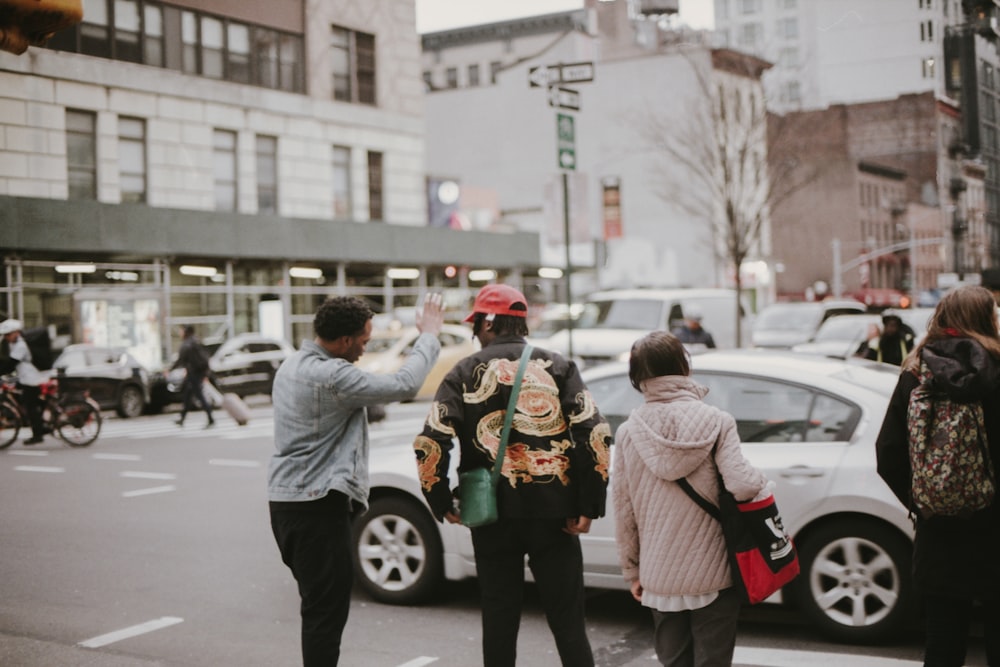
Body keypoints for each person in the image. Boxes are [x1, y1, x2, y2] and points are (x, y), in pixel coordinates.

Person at [412, 284, 612, 667]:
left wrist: (440, 499)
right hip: (556, 514)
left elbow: (430, 441)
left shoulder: (464, 372)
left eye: (475, 325)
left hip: (490, 514)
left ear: (486, 324)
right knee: (568, 623)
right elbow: (596, 434)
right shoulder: (558, 366)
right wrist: (589, 502)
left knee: (499, 619)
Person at [268, 293, 443, 667]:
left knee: (317, 606)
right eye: (363, 341)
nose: (364, 349)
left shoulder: (291, 366)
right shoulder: (332, 375)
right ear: (344, 341)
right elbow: (405, 384)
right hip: (317, 507)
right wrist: (428, 335)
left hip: (286, 504)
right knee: (325, 615)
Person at [613, 330, 768, 667]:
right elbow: (742, 485)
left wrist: (632, 572)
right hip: (714, 571)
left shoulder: (628, 433)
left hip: (659, 576)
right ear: (684, 366)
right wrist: (762, 480)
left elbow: (624, 511)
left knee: (674, 662)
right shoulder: (718, 421)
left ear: (637, 377)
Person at [875, 285, 1000, 667]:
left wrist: (925, 501)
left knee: (944, 640)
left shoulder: (916, 373)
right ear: (986, 319)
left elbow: (888, 453)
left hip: (939, 531)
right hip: (995, 525)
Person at [0, 318, 47, 444]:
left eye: (8, 334)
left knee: (29, 405)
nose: (6, 337)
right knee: (27, 400)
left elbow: (11, 364)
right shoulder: (14, 344)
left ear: (16, 332)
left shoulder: (21, 345)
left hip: (31, 379)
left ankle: (38, 434)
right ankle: (43, 425)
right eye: (5, 335)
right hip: (25, 377)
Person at [171, 324, 215, 428]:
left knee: (199, 395)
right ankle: (182, 418)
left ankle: (210, 418)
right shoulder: (196, 341)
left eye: (181, 331)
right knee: (188, 395)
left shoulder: (187, 344)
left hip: (194, 373)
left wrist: (170, 369)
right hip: (197, 372)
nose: (180, 333)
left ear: (186, 331)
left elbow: (180, 359)